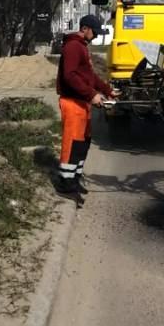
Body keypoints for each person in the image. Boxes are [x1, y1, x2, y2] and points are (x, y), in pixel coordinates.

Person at [55, 14, 115, 194]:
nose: (96, 36)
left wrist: (107, 90)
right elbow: (70, 76)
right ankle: (65, 183)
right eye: (94, 32)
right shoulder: (73, 46)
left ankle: (74, 178)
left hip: (81, 102)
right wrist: (92, 95)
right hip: (72, 102)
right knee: (72, 142)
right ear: (84, 29)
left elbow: (90, 77)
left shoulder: (82, 46)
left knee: (82, 142)